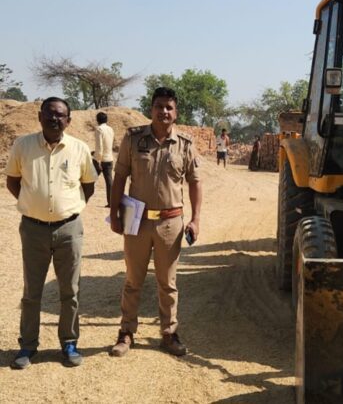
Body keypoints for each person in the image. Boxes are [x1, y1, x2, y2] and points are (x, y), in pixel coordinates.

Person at [4, 97, 98, 369]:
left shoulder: (79, 149)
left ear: (69, 120)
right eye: (49, 114)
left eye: (60, 115)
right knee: (32, 292)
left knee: (71, 290)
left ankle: (69, 343)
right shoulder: (23, 145)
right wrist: (34, 204)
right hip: (33, 229)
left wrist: (68, 208)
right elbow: (13, 182)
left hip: (69, 228)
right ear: (39, 116)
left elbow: (88, 186)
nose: (54, 119)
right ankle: (27, 346)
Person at [109, 87, 202, 357]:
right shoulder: (133, 138)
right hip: (136, 220)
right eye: (159, 106)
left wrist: (195, 219)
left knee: (168, 283)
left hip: (170, 223)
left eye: (169, 108)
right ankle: (126, 333)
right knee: (132, 280)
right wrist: (115, 213)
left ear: (176, 113)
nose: (164, 112)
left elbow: (195, 183)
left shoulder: (185, 144)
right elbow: (120, 178)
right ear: (151, 109)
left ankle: (169, 334)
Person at [94, 112, 115, 207]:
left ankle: (80, 198)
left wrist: (97, 160)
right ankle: (111, 202)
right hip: (109, 158)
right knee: (109, 181)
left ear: (97, 120)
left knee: (89, 179)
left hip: (101, 159)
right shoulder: (110, 129)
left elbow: (100, 147)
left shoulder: (99, 129)